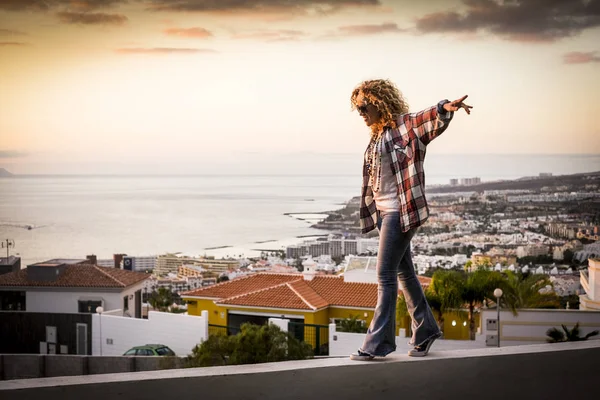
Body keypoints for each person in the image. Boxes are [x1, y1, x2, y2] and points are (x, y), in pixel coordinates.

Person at [348, 79, 472, 360]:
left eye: (364, 107)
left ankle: (377, 345)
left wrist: (444, 108)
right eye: (357, 109)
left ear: (380, 103)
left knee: (384, 276)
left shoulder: (406, 126)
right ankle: (426, 329)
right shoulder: (377, 135)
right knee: (404, 273)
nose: (361, 113)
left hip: (400, 211)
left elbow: (428, 118)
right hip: (383, 212)